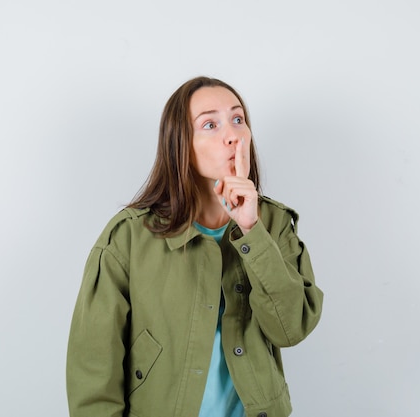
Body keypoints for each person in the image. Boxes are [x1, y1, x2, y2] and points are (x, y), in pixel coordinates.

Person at [66, 76, 323, 417]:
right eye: (210, 124)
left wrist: (251, 229)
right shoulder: (129, 237)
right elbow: (93, 373)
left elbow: (292, 329)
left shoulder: (272, 224)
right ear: (180, 144)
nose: (232, 134)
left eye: (238, 119)